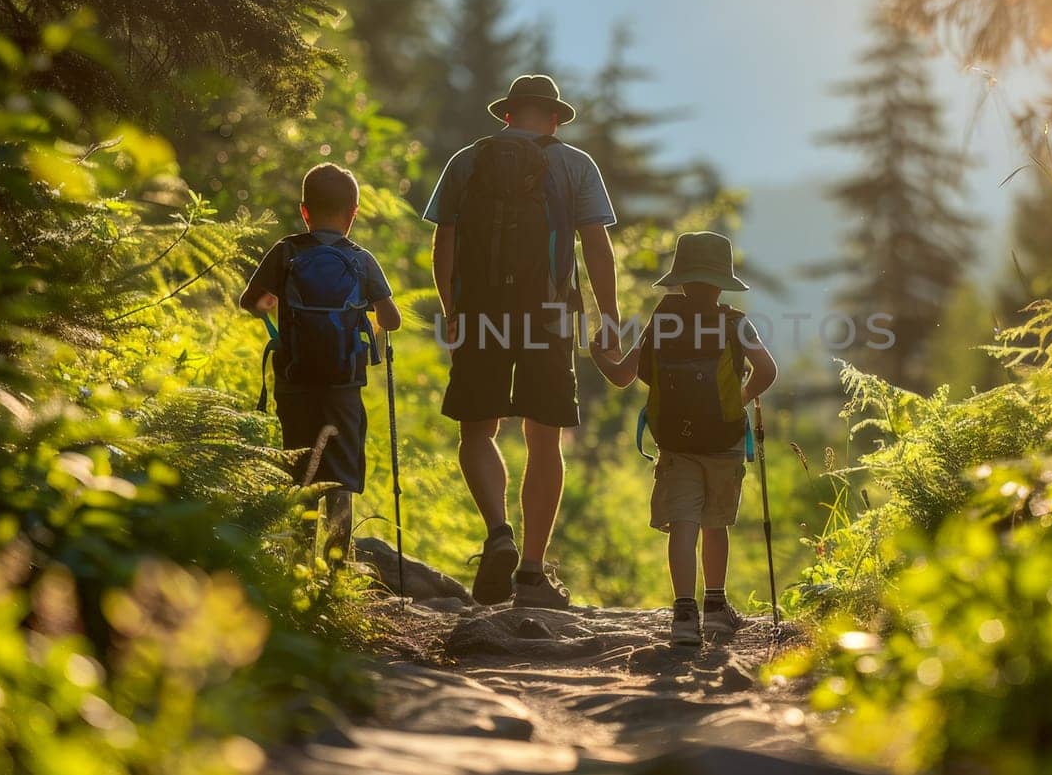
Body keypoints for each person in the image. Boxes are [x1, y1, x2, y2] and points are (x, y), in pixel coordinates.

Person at [424, 74, 621, 609]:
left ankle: (498, 533)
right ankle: (531, 572)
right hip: (551, 315)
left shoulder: (466, 162)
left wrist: (453, 311)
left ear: (507, 114)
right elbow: (596, 246)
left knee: (477, 430)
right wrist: (611, 316)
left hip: (482, 312)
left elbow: (445, 239)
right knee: (544, 439)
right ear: (554, 117)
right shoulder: (575, 164)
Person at [591, 231, 778, 646]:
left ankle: (682, 614)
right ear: (721, 284)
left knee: (683, 524)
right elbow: (767, 372)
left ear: (679, 279)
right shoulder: (735, 322)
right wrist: (739, 399)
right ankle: (715, 608)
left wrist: (599, 355)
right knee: (716, 524)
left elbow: (623, 376)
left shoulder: (663, 319)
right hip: (725, 441)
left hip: (675, 443)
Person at [240, 163, 400, 568]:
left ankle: (298, 566)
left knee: (301, 473)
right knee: (339, 476)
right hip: (343, 387)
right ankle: (337, 572)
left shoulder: (287, 251)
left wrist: (273, 305)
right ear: (354, 212)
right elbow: (392, 319)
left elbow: (250, 300)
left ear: (305, 211)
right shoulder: (360, 260)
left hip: (294, 383)